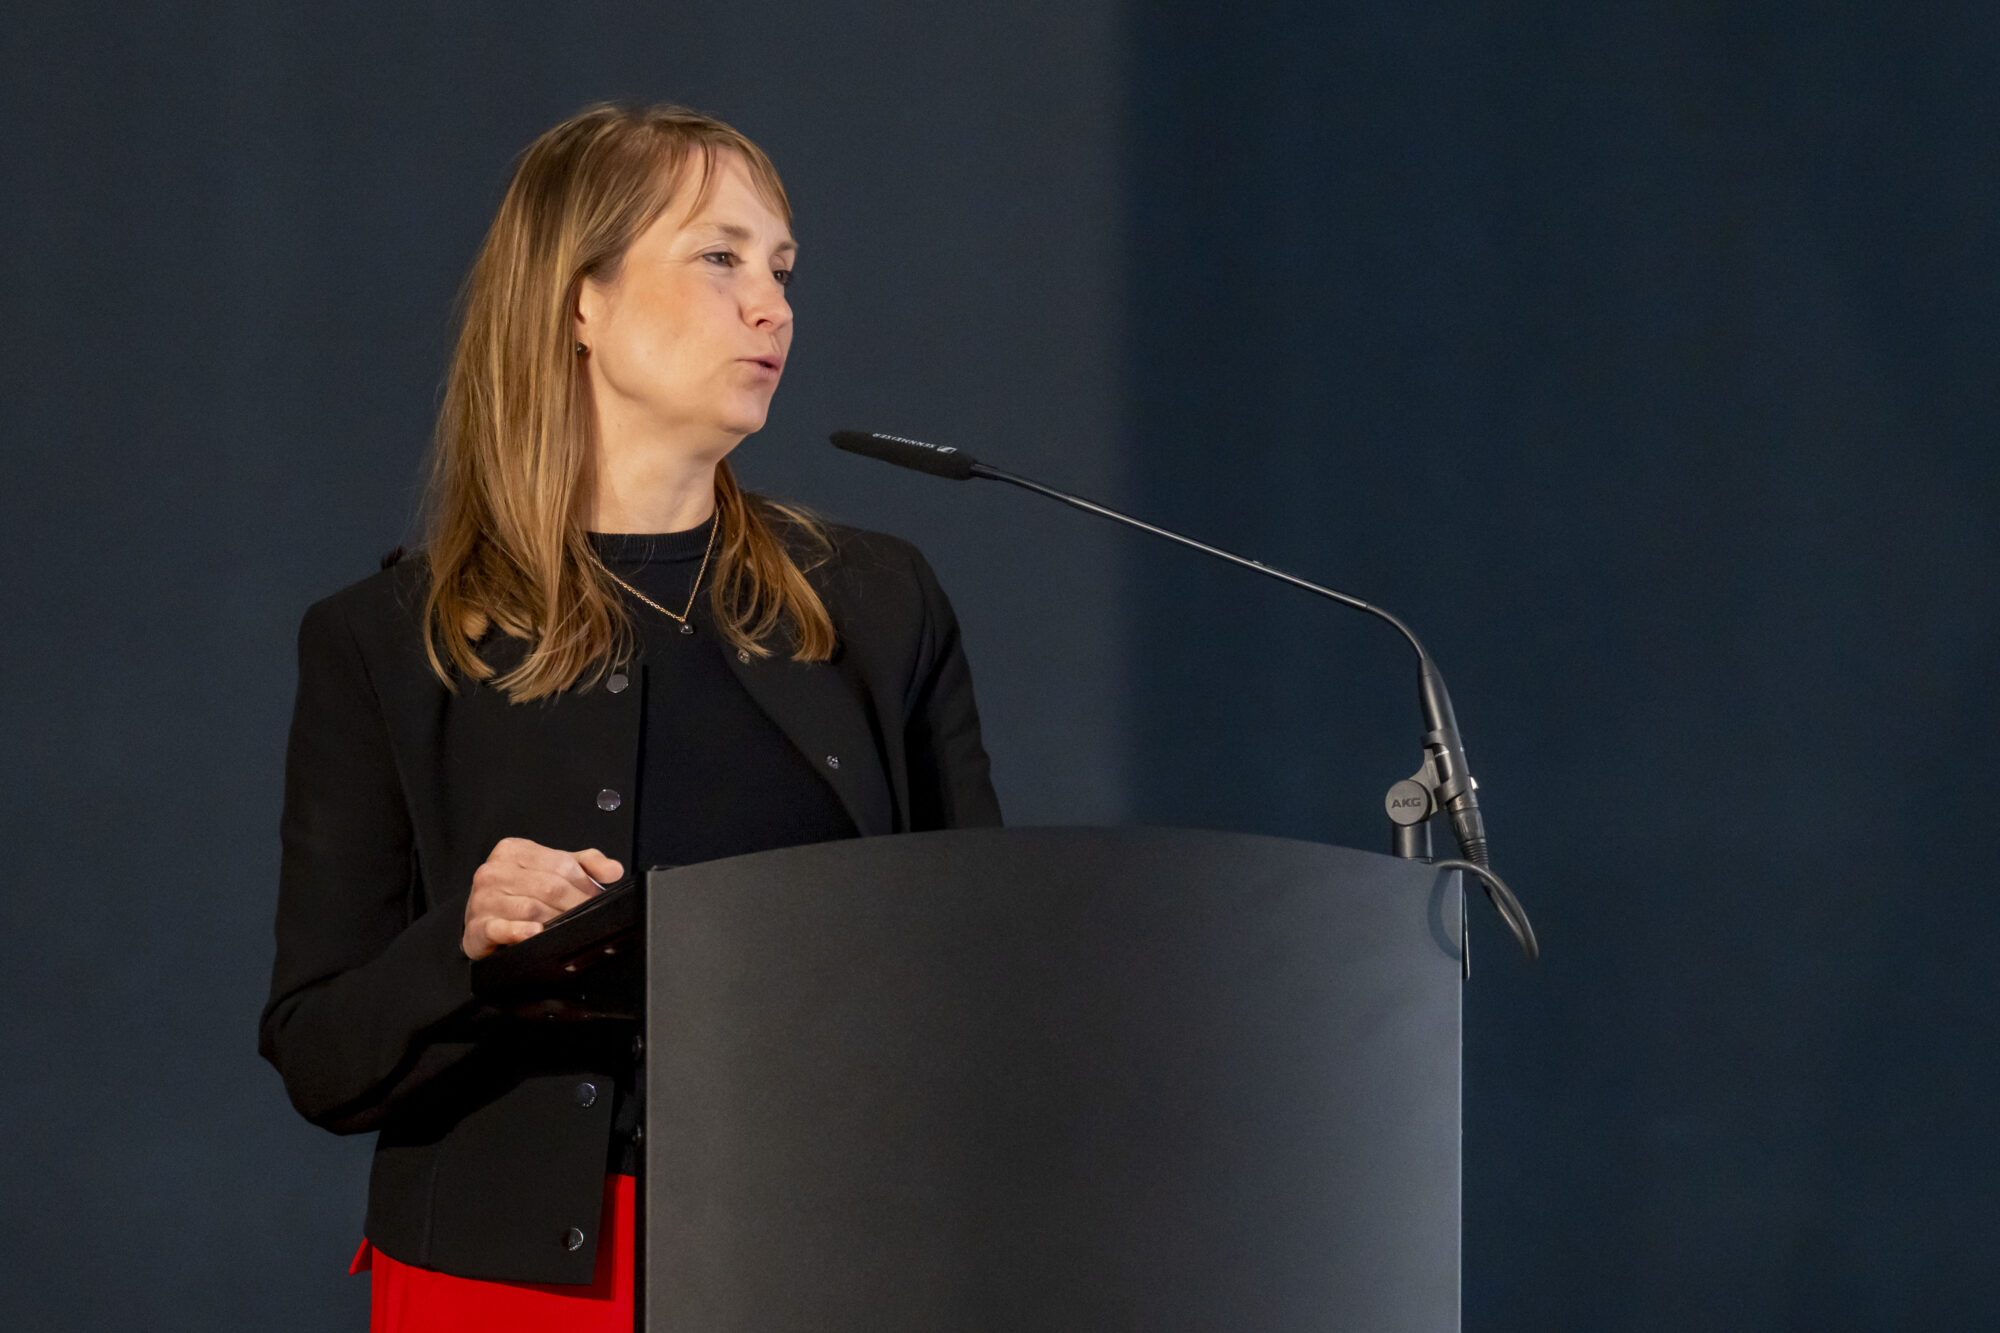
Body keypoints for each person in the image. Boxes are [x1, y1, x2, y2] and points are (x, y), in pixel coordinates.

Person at [257, 103, 1001, 1331]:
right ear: (578, 303)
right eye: (719, 257)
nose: (771, 307)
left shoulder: (878, 602)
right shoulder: (381, 641)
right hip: (512, 1291)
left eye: (781, 269)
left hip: (828, 1259)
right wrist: (466, 948)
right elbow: (320, 1054)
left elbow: (987, 964)